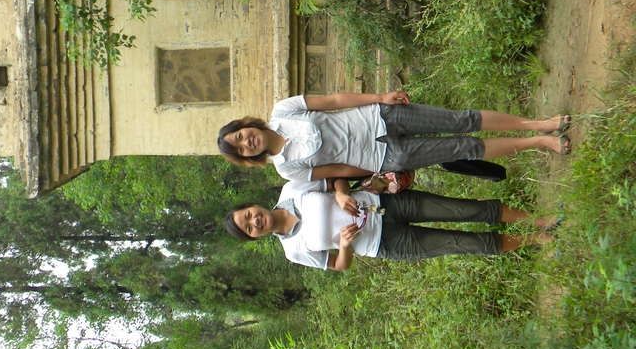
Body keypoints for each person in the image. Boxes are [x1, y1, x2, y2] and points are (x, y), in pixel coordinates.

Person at [217, 91, 572, 183]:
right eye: (240, 147)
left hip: (380, 117)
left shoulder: (283, 110)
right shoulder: (286, 169)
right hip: (387, 159)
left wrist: (379, 97)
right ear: (247, 157)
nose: (246, 141)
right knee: (465, 147)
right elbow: (338, 170)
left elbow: (335, 101)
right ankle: (540, 143)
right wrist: (378, 175)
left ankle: (539, 124)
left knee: (460, 119)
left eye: (241, 135)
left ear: (246, 126)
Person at [224, 178, 555, 271]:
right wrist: (344, 245)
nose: (255, 221)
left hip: (388, 203)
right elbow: (339, 266)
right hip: (388, 244)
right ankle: (538, 239)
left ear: (252, 206)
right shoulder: (293, 251)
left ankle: (542, 222)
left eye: (249, 215)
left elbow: (336, 181)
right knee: (462, 244)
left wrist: (340, 195)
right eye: (250, 228)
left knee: (464, 210)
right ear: (255, 237)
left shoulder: (291, 189)